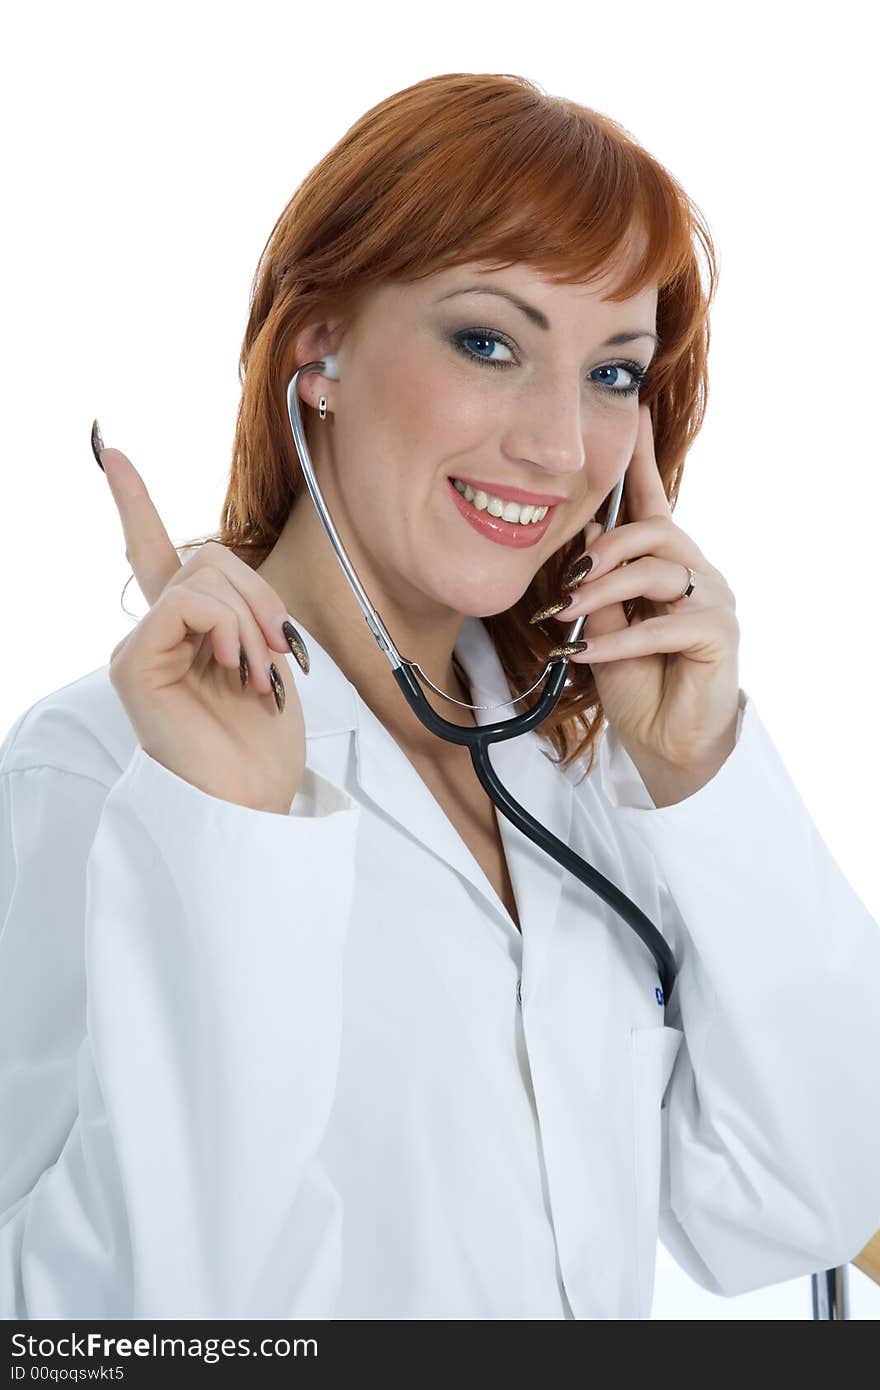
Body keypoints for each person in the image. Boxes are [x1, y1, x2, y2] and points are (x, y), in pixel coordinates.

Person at [1, 71, 879, 1322]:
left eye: (612, 375)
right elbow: (90, 1337)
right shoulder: (93, 770)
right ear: (321, 348)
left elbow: (805, 1196)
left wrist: (705, 773)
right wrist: (236, 840)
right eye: (489, 343)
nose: (563, 447)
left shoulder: (584, 774)